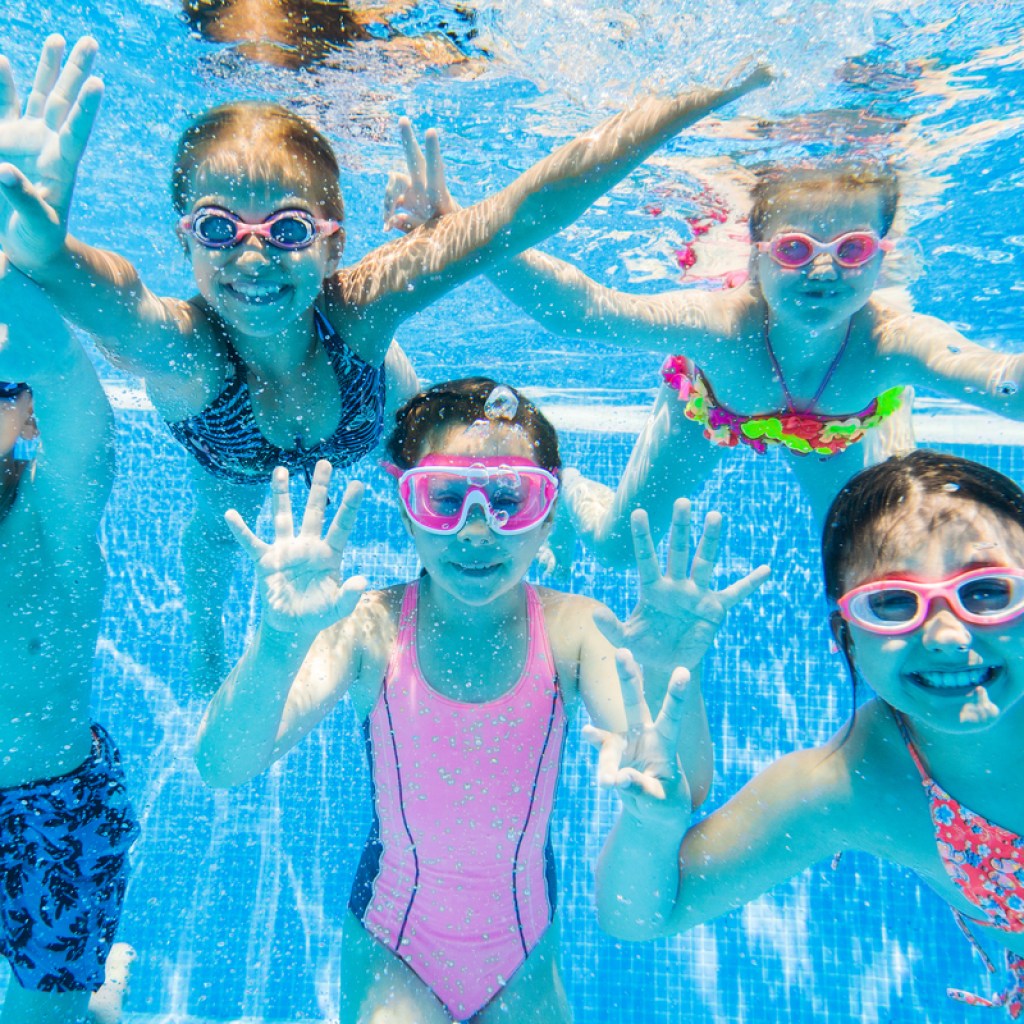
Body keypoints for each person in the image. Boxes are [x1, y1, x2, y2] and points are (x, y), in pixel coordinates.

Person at [0, 36, 769, 691]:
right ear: (185, 241)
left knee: (445, 468)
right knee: (212, 527)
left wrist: (689, 100)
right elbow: (111, 299)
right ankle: (204, 653)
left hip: (378, 423)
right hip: (233, 461)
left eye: (290, 228)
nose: (253, 255)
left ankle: (552, 504)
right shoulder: (186, 351)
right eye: (217, 227)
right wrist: (41, 249)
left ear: (333, 243)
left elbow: (523, 210)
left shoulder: (359, 308)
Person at [193, 377, 768, 1023]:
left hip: (524, 957)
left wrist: (664, 673)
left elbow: (679, 783)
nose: (476, 530)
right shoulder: (368, 630)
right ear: (406, 504)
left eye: (508, 499)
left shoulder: (577, 630)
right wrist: (277, 644)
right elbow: (222, 764)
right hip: (393, 949)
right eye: (443, 498)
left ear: (547, 513)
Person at [385, 138, 1024, 567]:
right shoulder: (723, 327)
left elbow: (987, 374)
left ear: (882, 253)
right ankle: (577, 488)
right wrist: (461, 228)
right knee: (615, 550)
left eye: (852, 248)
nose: (823, 270)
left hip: (840, 430)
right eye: (796, 249)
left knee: (884, 555)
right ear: (757, 252)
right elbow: (586, 312)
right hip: (710, 412)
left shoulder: (891, 339)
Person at [588, 449, 1024, 1018]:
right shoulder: (854, 783)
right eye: (892, 603)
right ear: (847, 635)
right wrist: (651, 825)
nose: (945, 635)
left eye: (986, 591)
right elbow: (641, 915)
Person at [0, 255, 139, 1023]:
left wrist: (13, 262)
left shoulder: (55, 513)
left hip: (50, 817)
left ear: (30, 416)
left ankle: (96, 999)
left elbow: (82, 408)